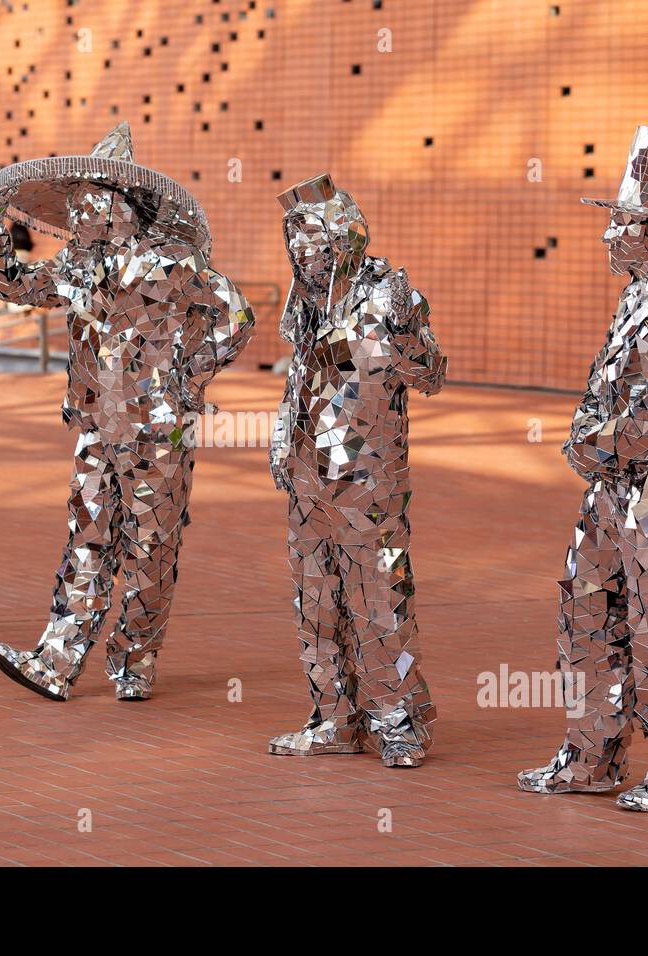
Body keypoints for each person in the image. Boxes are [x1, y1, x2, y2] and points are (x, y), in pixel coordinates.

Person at [0, 123, 254, 701]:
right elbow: (15, 287)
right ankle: (56, 660)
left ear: (119, 205)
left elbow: (236, 315)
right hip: (97, 426)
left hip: (157, 427)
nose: (77, 211)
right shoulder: (77, 265)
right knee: (88, 535)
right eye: (74, 202)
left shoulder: (172, 262)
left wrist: (188, 374)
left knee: (153, 544)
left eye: (87, 200)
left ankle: (135, 657)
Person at [518, 127, 648, 811]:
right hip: (611, 489)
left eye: (620, 223)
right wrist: (592, 443)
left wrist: (590, 447)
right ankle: (592, 757)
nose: (608, 235)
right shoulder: (640, 291)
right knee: (586, 612)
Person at [267, 173, 446, 768]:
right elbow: (298, 376)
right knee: (315, 600)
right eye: (292, 238)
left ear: (343, 237)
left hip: (369, 483)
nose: (300, 250)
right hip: (306, 479)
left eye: (310, 238)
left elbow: (431, 376)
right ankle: (334, 718)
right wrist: (279, 440)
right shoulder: (307, 301)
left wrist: (405, 334)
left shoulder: (390, 293)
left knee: (378, 600)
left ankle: (399, 723)